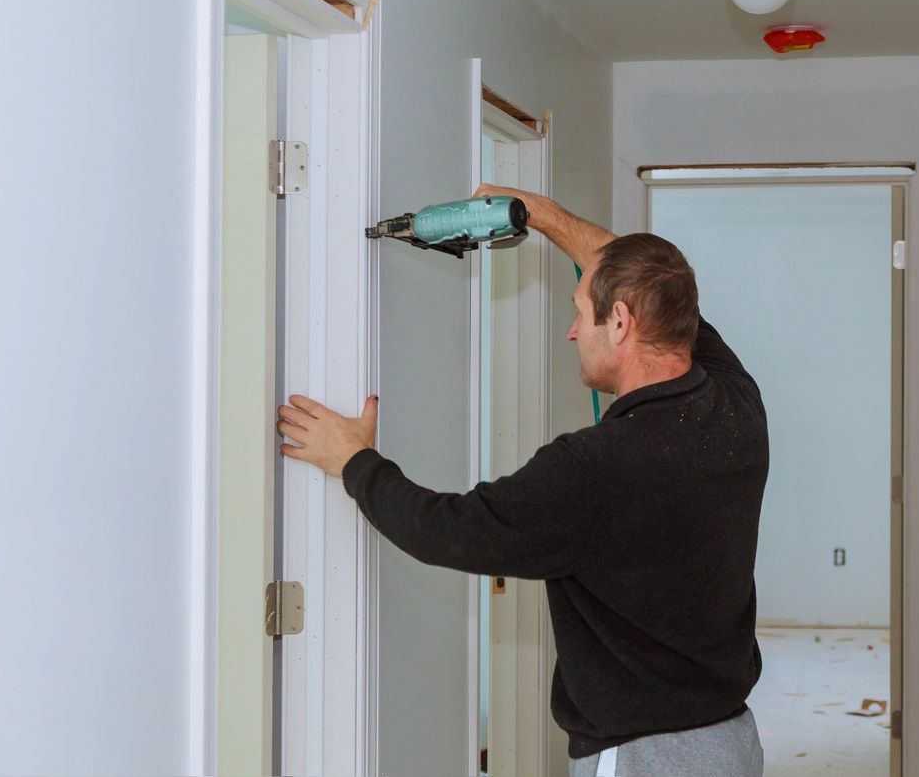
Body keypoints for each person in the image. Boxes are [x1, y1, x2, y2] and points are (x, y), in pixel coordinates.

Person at [276, 185, 769, 777]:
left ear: (619, 321)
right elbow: (638, 272)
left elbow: (449, 531)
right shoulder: (737, 404)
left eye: (579, 311)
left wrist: (354, 461)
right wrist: (539, 214)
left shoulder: (594, 468)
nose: (571, 331)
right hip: (731, 745)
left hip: (649, 758)